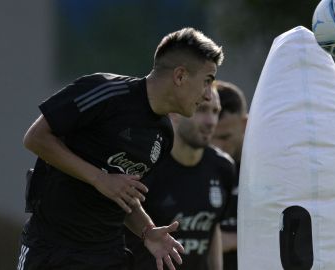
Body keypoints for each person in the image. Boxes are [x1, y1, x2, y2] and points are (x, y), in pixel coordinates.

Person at [17, 27, 224, 270]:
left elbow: (123, 195)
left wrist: (147, 231)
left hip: (106, 254)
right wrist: (99, 178)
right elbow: (35, 138)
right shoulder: (105, 91)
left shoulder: (164, 135)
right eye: (207, 81)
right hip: (52, 248)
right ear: (179, 76)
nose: (209, 95)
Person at [126, 85, 235, 270]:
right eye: (201, 109)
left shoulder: (223, 167)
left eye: (216, 111)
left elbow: (212, 227)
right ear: (175, 113)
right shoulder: (146, 165)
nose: (211, 121)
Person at [211, 80, 248, 270]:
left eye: (225, 137)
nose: (217, 147)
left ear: (245, 124)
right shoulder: (197, 167)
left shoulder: (268, 170)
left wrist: (233, 240)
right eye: (211, 138)